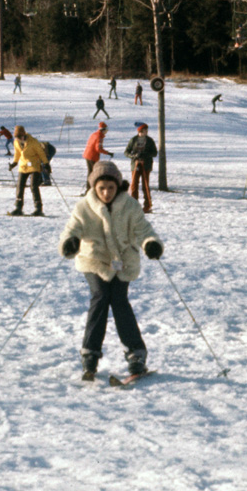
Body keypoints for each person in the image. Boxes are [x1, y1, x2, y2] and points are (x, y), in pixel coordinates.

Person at [59, 160, 163, 381]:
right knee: (100, 296)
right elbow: (73, 228)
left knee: (119, 299)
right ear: (93, 187)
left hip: (122, 262)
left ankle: (136, 353)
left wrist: (150, 243)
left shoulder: (130, 205)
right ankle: (90, 354)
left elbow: (143, 229)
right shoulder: (83, 207)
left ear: (118, 186)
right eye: (101, 188)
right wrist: (71, 241)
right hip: (94, 260)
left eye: (111, 188)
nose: (106, 193)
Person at [9, 125, 49, 216]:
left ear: (24, 134)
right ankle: (18, 207)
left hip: (34, 165)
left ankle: (38, 208)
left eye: (20, 136)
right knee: (19, 186)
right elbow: (17, 153)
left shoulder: (33, 142)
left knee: (33, 186)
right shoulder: (16, 142)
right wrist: (14, 163)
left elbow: (41, 153)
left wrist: (46, 164)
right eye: (17, 137)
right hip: (23, 166)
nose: (19, 139)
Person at [125, 122, 157, 213]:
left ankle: (147, 206)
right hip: (135, 165)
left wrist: (145, 154)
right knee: (134, 186)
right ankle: (134, 206)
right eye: (145, 131)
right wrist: (133, 156)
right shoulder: (133, 140)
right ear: (140, 131)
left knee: (145, 185)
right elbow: (126, 152)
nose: (146, 132)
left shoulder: (150, 140)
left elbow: (154, 153)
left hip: (146, 165)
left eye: (147, 131)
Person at [82, 121, 113, 189]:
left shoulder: (94, 134)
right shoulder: (99, 136)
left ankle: (89, 188)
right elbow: (98, 149)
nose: (106, 132)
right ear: (103, 130)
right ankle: (89, 189)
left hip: (88, 155)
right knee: (93, 173)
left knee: (90, 172)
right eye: (106, 130)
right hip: (92, 156)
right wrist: (108, 153)